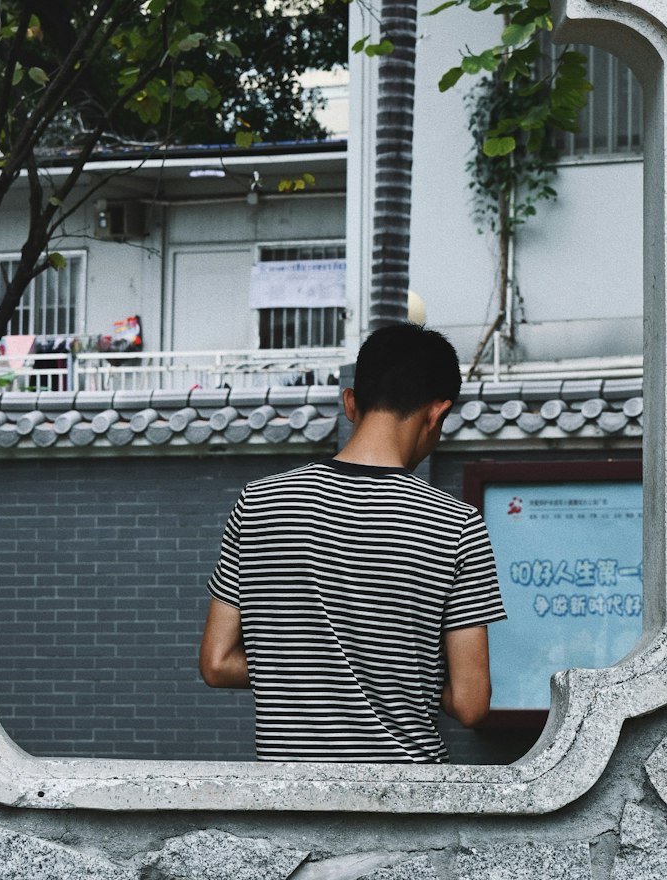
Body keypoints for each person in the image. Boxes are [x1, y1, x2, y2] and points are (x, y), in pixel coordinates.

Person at [198, 322, 507, 763]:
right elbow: (471, 703)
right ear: (437, 412)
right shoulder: (457, 525)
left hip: (286, 798)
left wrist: (306, 670)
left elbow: (217, 662)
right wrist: (400, 674)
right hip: (406, 800)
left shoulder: (259, 503)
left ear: (350, 403)